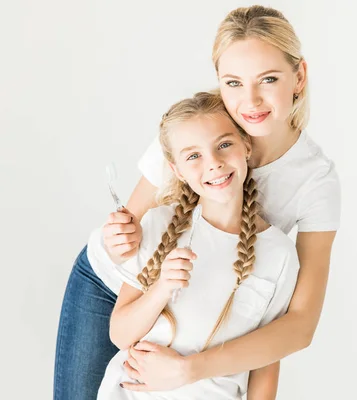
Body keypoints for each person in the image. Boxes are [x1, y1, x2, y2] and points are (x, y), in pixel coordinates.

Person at [54, 5, 340, 398]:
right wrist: (120, 235)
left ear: (299, 76)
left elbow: (297, 323)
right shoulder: (198, 124)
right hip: (116, 284)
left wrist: (190, 371)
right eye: (233, 82)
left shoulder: (314, 181)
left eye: (269, 79)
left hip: (194, 303)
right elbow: (134, 225)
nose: (250, 100)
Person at [97, 91, 299, 400]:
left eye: (224, 145)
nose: (214, 164)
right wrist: (162, 287)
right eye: (194, 156)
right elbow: (120, 335)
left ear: (246, 145)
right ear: (177, 170)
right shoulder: (157, 226)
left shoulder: (279, 254)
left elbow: (266, 363)